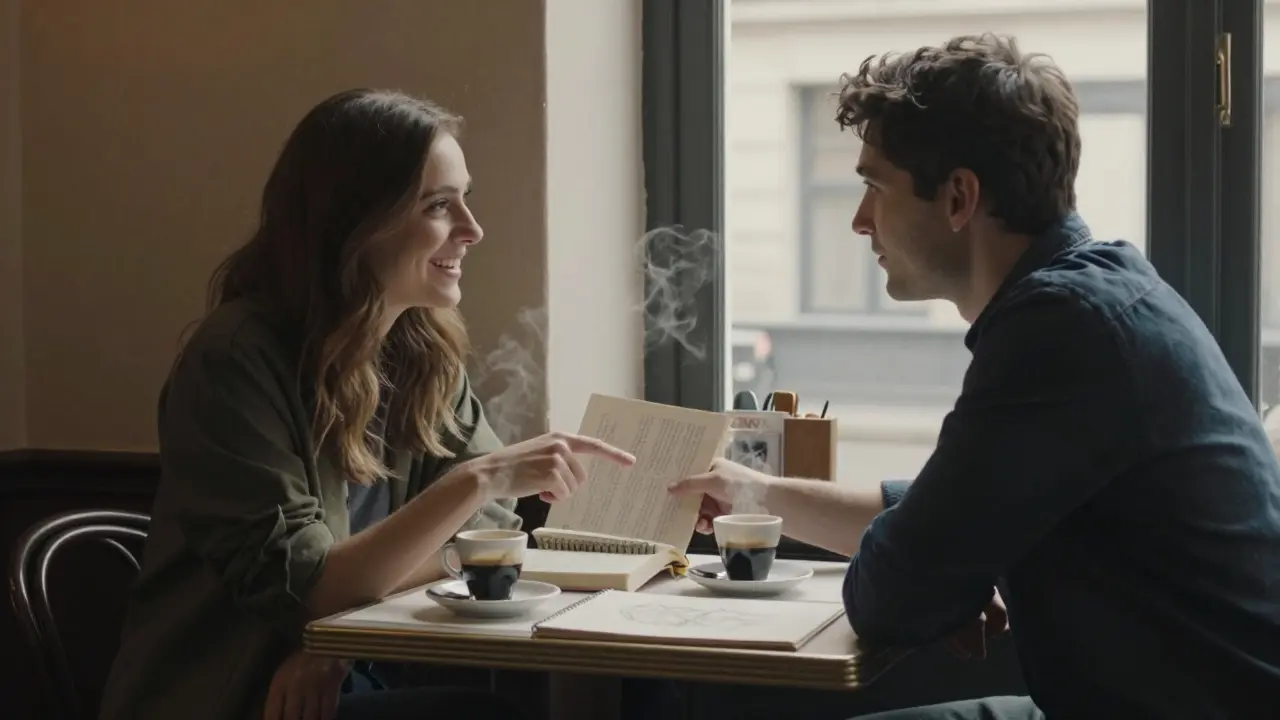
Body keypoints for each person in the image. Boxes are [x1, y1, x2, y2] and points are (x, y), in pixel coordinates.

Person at [671, 34, 1280, 719]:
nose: (858, 220)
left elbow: (892, 597)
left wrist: (941, 572)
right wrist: (755, 493)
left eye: (875, 186)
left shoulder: (1060, 330)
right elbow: (943, 512)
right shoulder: (1097, 292)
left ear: (959, 197)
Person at [98, 89, 636, 720]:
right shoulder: (233, 363)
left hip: (349, 675)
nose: (472, 228)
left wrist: (338, 638)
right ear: (355, 223)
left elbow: (485, 533)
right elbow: (306, 591)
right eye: (439, 205)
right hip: (234, 696)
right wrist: (477, 478)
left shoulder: (420, 351)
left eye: (465, 197)